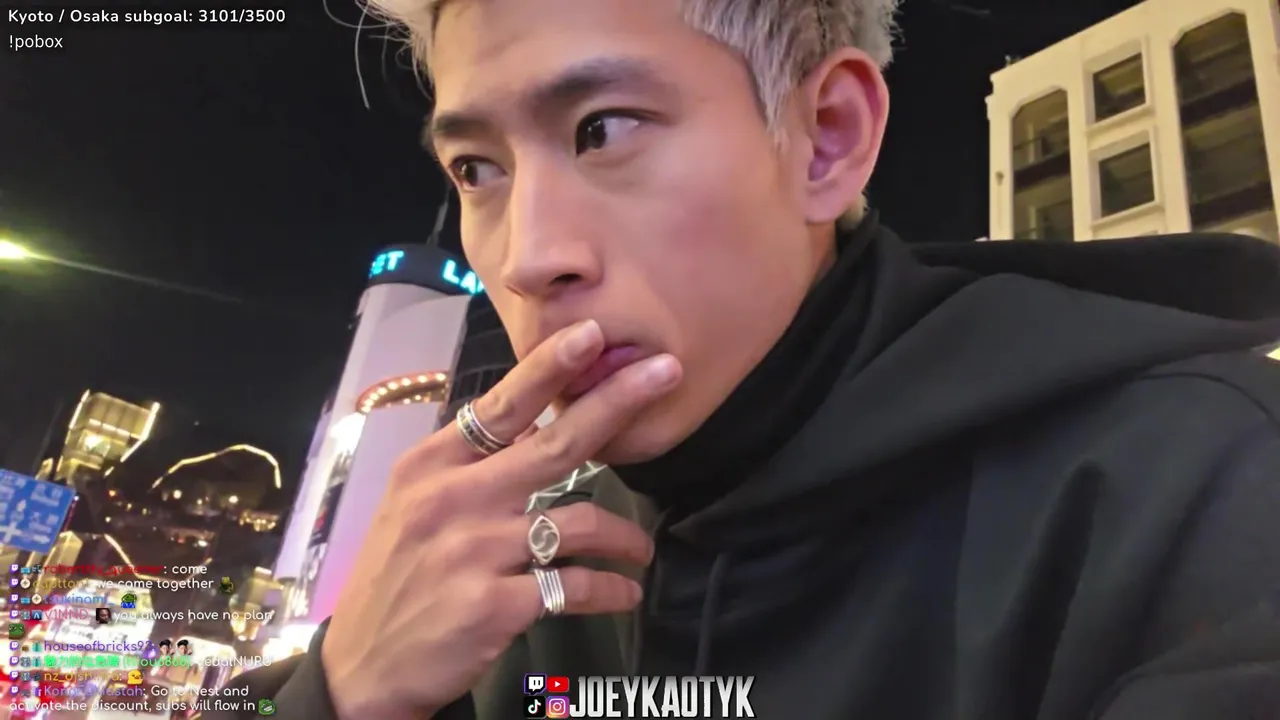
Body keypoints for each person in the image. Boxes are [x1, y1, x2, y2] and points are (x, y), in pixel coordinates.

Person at [214, 1, 1280, 718]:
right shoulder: (507, 579)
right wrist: (337, 693)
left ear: (827, 138)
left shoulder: (1201, 484)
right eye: (476, 168)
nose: (529, 257)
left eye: (601, 130)